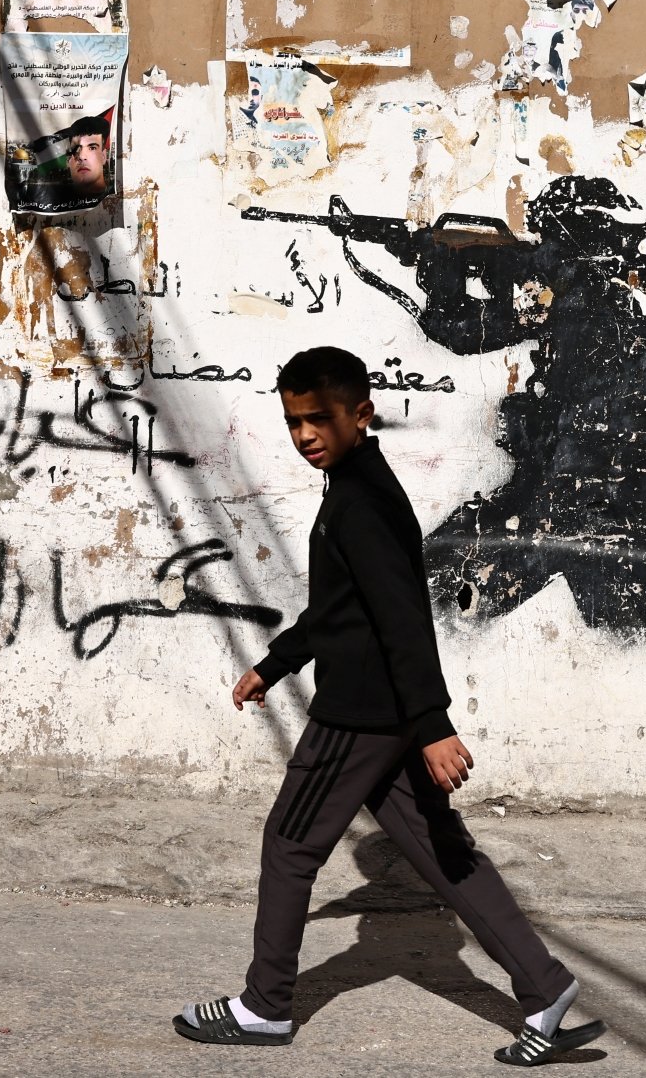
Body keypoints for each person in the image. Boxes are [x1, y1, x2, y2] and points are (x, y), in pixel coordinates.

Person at [173, 346, 605, 1066]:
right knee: (445, 856)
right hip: (386, 716)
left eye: (319, 418)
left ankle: (265, 1006)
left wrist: (433, 725)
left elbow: (403, 618)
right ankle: (544, 986)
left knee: (289, 847)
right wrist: (275, 665)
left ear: (360, 415)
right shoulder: (355, 488)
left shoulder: (360, 504)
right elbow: (342, 609)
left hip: (360, 716)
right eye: (293, 421)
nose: (305, 434)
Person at [408, 175, 646, 648]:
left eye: (546, 237)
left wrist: (441, 280)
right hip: (636, 495)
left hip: (565, 499)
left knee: (434, 603)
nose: (538, 248)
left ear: (572, 235)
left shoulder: (567, 288)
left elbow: (462, 331)